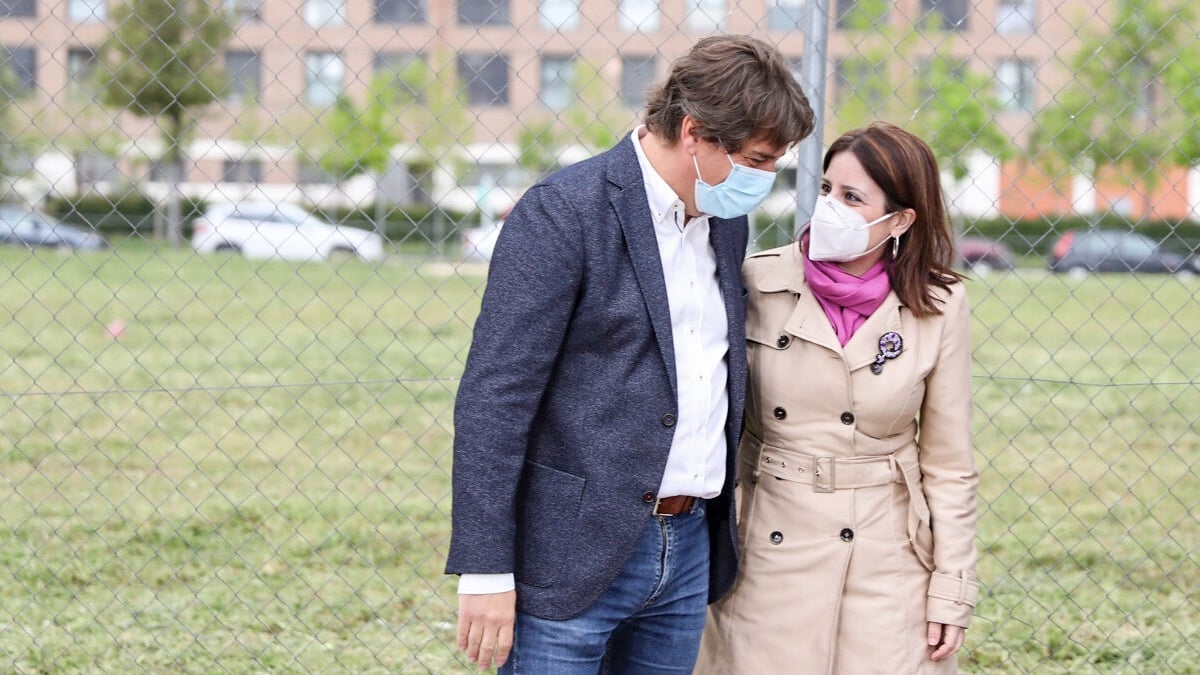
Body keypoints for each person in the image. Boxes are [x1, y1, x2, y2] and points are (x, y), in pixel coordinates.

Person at [445, 35, 814, 673]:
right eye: (756, 159)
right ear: (694, 132)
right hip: (569, 556)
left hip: (690, 544)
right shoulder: (564, 213)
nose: (764, 180)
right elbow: (494, 398)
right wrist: (484, 569)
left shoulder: (724, 220)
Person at [696, 122, 980, 674]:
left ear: (900, 219)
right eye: (827, 189)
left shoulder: (939, 303)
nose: (829, 207)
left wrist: (952, 586)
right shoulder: (757, 279)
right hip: (768, 544)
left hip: (888, 556)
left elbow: (949, 464)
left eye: (852, 197)